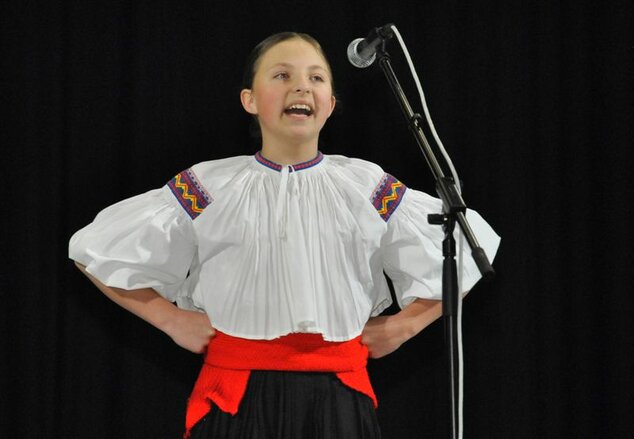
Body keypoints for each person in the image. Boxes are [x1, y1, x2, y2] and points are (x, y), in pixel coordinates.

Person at [69, 32, 500, 439]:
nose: (301, 87)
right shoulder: (206, 187)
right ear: (250, 100)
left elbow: (468, 247)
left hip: (338, 396)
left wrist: (405, 326)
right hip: (235, 395)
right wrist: (170, 319)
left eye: (315, 77)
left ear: (330, 103)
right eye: (282, 75)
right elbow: (94, 250)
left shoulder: (366, 186)